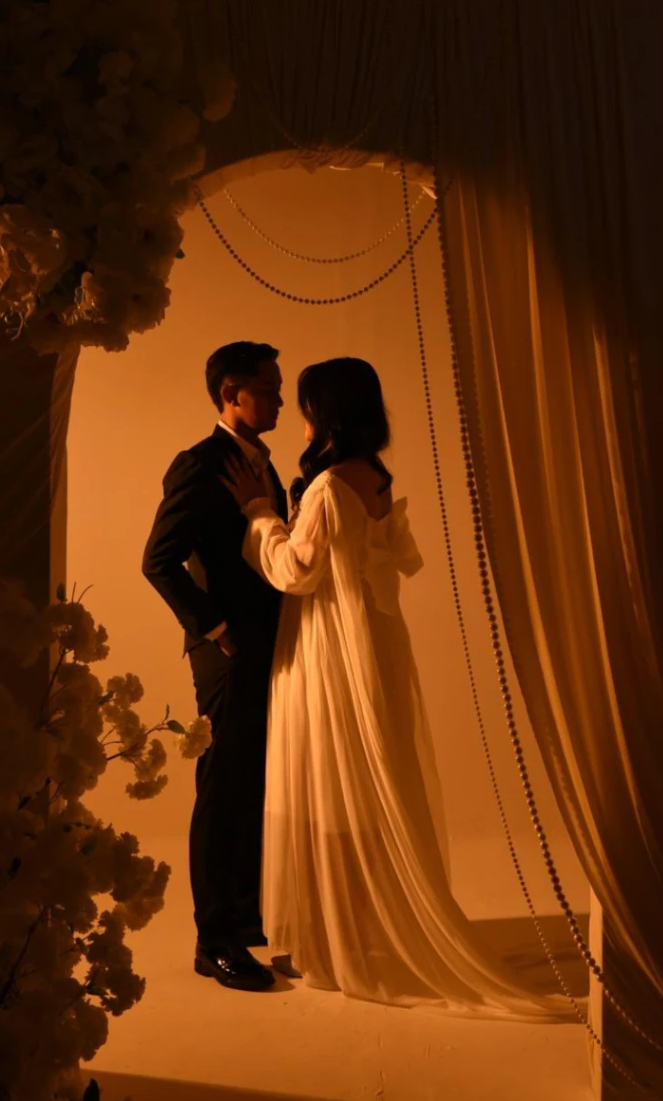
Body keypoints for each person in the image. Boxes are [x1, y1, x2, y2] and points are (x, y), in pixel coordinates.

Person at [222, 356, 574, 1018]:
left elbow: (295, 571)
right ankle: (348, 927)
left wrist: (261, 513)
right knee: (362, 776)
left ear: (325, 413)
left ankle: (332, 943)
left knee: (328, 780)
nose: (297, 416)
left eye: (305, 405)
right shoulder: (374, 477)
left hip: (331, 646)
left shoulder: (329, 486)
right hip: (375, 639)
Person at [142, 341, 286, 993]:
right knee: (223, 785)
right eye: (268, 387)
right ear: (232, 393)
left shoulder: (263, 463)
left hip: (266, 645)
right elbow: (158, 559)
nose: (279, 399)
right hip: (225, 653)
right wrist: (218, 629)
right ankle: (213, 939)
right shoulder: (199, 463)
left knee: (254, 781)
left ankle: (246, 916)